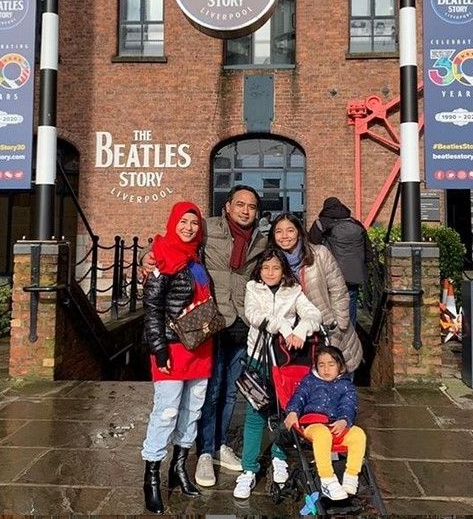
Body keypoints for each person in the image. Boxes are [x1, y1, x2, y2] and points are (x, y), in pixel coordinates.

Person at [141, 185, 267, 487]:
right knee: (209, 393)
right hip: (210, 323)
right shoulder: (207, 228)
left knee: (231, 391)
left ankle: (220, 444)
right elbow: (172, 242)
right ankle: (205, 452)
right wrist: (148, 257)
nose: (245, 210)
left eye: (251, 206)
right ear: (228, 207)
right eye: (240, 204)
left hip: (243, 322)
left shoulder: (262, 240)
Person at [141, 201, 213, 514]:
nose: (189, 227)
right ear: (173, 223)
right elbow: (153, 309)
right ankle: (152, 476)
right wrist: (158, 348)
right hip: (172, 347)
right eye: (183, 222)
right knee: (166, 411)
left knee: (192, 409)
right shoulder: (162, 256)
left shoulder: (197, 258)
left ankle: (179, 467)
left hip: (200, 346)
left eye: (194, 223)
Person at [233, 248, 323, 499]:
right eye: (266, 268)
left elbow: (314, 315)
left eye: (276, 268)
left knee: (285, 409)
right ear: (259, 270)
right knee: (256, 412)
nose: (270, 272)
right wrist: (285, 326)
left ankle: (279, 457)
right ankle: (249, 469)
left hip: (284, 360)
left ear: (284, 271)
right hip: (259, 358)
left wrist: (302, 329)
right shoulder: (253, 288)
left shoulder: (293, 291)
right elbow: (254, 315)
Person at [268, 212, 363, 376]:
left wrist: (339, 324)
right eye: (279, 231)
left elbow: (339, 290)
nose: (284, 236)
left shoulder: (320, 254)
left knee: (337, 385)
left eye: (290, 230)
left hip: (328, 331)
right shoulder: (271, 262)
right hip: (291, 338)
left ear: (299, 232)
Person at [284, 346, 366, 501]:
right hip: (313, 425)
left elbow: (348, 405)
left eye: (331, 364)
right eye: (321, 365)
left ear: (340, 366)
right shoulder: (309, 381)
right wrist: (293, 411)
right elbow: (299, 396)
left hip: (336, 425)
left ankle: (351, 476)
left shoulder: (346, 386)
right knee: (322, 434)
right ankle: (327, 479)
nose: (326, 369)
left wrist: (344, 420)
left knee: (358, 434)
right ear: (316, 366)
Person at [308, 196, 372, 327]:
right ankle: (350, 334)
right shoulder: (355, 223)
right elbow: (368, 251)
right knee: (350, 304)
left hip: (330, 275)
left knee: (328, 304)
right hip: (353, 275)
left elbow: (310, 248)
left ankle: (331, 336)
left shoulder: (320, 224)